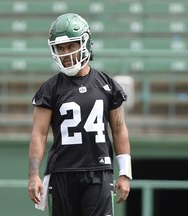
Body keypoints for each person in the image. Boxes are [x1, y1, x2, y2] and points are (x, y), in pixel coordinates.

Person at [28, 13, 132, 216]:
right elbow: (39, 133)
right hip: (62, 172)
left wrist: (125, 173)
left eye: (72, 46)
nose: (66, 53)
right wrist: (33, 175)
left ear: (85, 43)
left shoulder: (107, 85)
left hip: (99, 171)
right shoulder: (49, 89)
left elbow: (119, 129)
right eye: (61, 48)